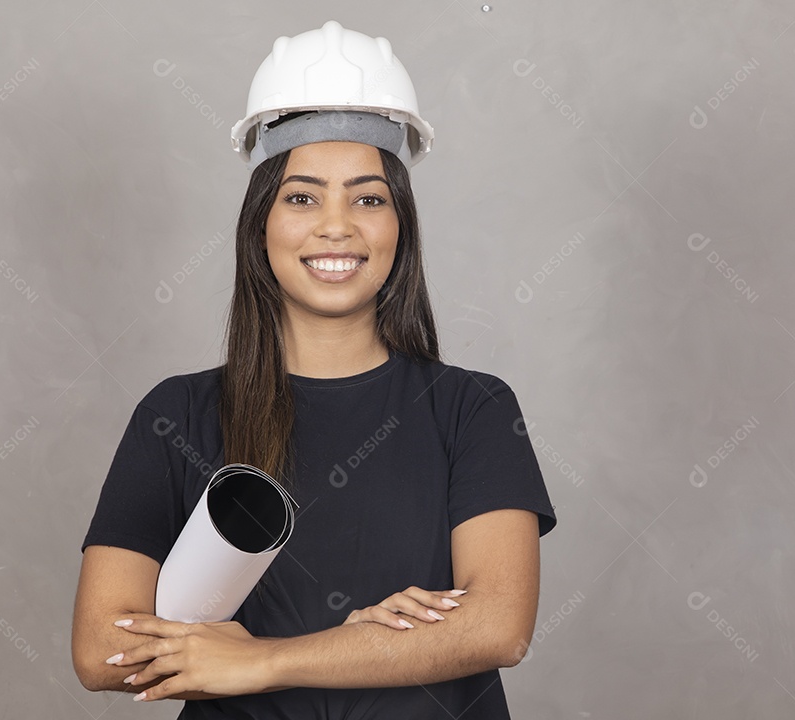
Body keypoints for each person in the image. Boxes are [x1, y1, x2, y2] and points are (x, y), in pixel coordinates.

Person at [70, 20, 557, 719]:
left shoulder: (471, 410)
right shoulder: (175, 416)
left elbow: (497, 628)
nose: (337, 226)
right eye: (302, 196)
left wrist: (262, 660)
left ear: (400, 227)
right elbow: (99, 649)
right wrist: (366, 645)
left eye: (368, 197)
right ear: (260, 223)